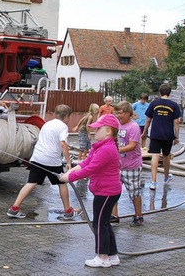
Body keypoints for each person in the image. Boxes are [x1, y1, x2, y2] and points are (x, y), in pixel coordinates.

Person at [59, 114, 122, 268]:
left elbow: (90, 169)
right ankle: (112, 256)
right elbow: (86, 162)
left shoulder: (106, 149)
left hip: (106, 192)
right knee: (105, 223)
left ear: (108, 131)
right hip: (105, 191)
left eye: (98, 129)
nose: (94, 131)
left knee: (99, 224)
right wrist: (69, 172)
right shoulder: (100, 146)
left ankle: (102, 257)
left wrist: (70, 178)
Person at [7, 104, 81, 220]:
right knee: (62, 183)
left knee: (31, 182)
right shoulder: (63, 127)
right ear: (67, 116)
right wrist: (68, 162)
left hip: (37, 157)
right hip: (51, 160)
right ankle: (68, 211)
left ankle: (14, 209)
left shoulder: (47, 123)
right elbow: (63, 144)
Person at [110, 101, 144, 227]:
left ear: (128, 113)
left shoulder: (133, 127)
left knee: (134, 191)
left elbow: (132, 145)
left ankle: (138, 215)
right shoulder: (116, 125)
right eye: (117, 113)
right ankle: (114, 215)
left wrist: (115, 150)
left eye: (120, 113)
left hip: (131, 165)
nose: (118, 116)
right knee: (113, 190)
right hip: (117, 165)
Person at [141, 84, 181, 190]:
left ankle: (153, 182)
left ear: (160, 92)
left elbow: (148, 120)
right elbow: (176, 122)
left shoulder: (154, 103)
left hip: (155, 134)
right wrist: (177, 137)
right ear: (169, 93)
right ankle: (166, 177)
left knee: (155, 156)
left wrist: (144, 133)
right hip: (168, 135)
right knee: (166, 155)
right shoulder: (174, 105)